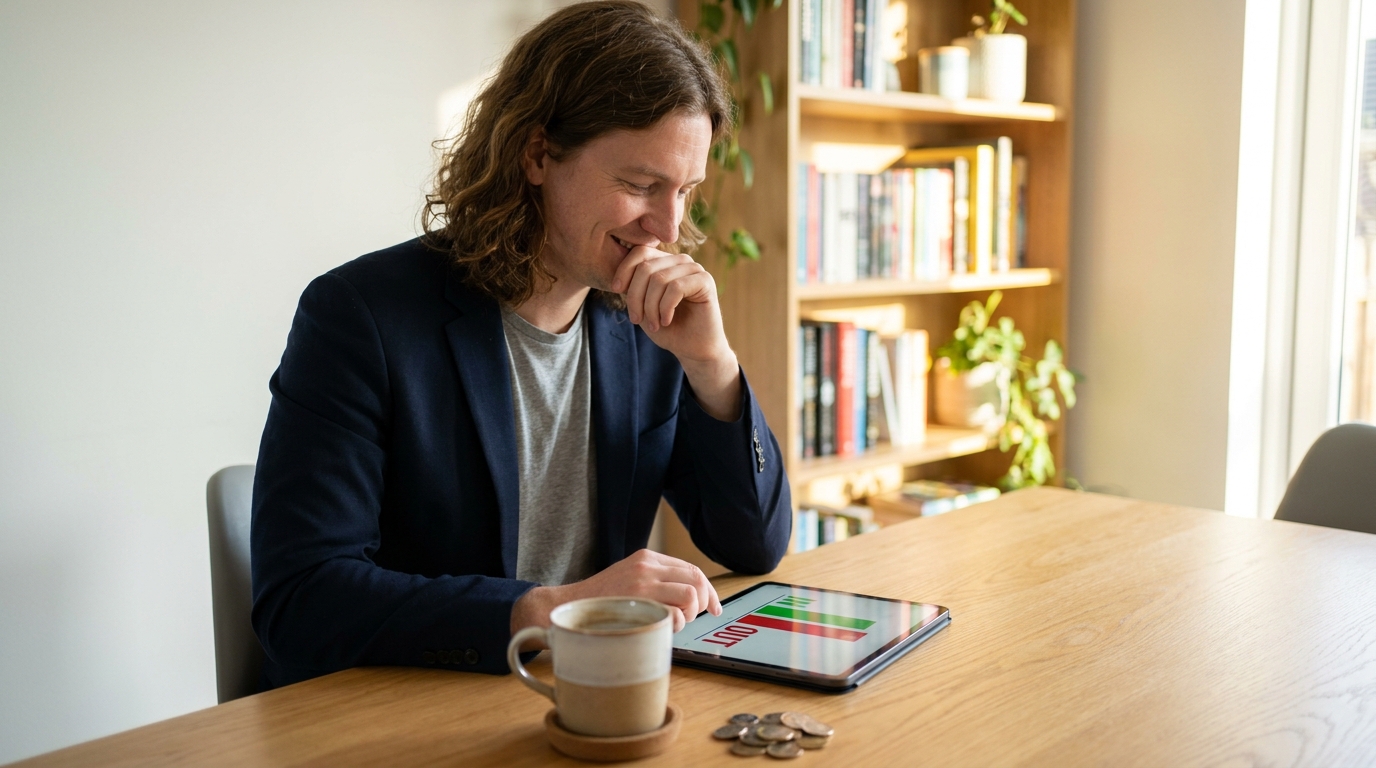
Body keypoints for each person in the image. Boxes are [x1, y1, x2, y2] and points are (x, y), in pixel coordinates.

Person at [249, 0, 792, 690]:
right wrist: (547, 611)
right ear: (538, 154)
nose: (666, 224)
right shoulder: (358, 316)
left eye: (685, 191)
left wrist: (712, 366)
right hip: (402, 710)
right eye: (640, 185)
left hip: (580, 702)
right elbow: (301, 602)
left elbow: (754, 543)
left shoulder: (650, 319)